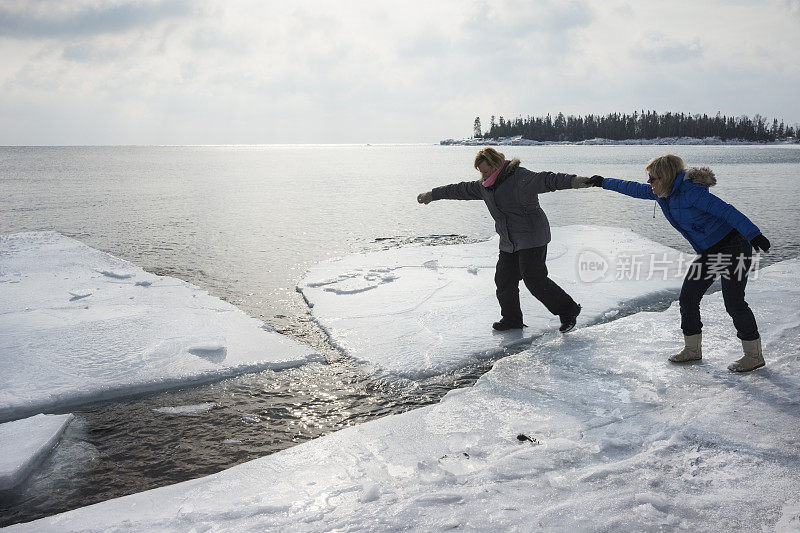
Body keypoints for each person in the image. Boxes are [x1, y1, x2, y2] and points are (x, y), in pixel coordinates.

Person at [587, 154, 770, 372]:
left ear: (665, 177)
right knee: (688, 297)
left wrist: (753, 234)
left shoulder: (692, 193)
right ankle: (692, 350)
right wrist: (602, 182)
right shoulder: (662, 194)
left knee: (734, 302)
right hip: (709, 252)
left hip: (734, 247)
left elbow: (727, 211)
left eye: (652, 178)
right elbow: (631, 188)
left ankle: (754, 355)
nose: (649, 183)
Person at [417, 147, 592, 333]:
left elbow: (548, 179)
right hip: (509, 240)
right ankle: (511, 319)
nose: (482, 175)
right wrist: (432, 195)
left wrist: (576, 181)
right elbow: (459, 190)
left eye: (485, 170)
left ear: (495, 165)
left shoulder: (520, 178)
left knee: (534, 280)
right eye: (480, 172)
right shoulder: (484, 187)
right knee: (504, 279)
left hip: (532, 235)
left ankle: (569, 310)